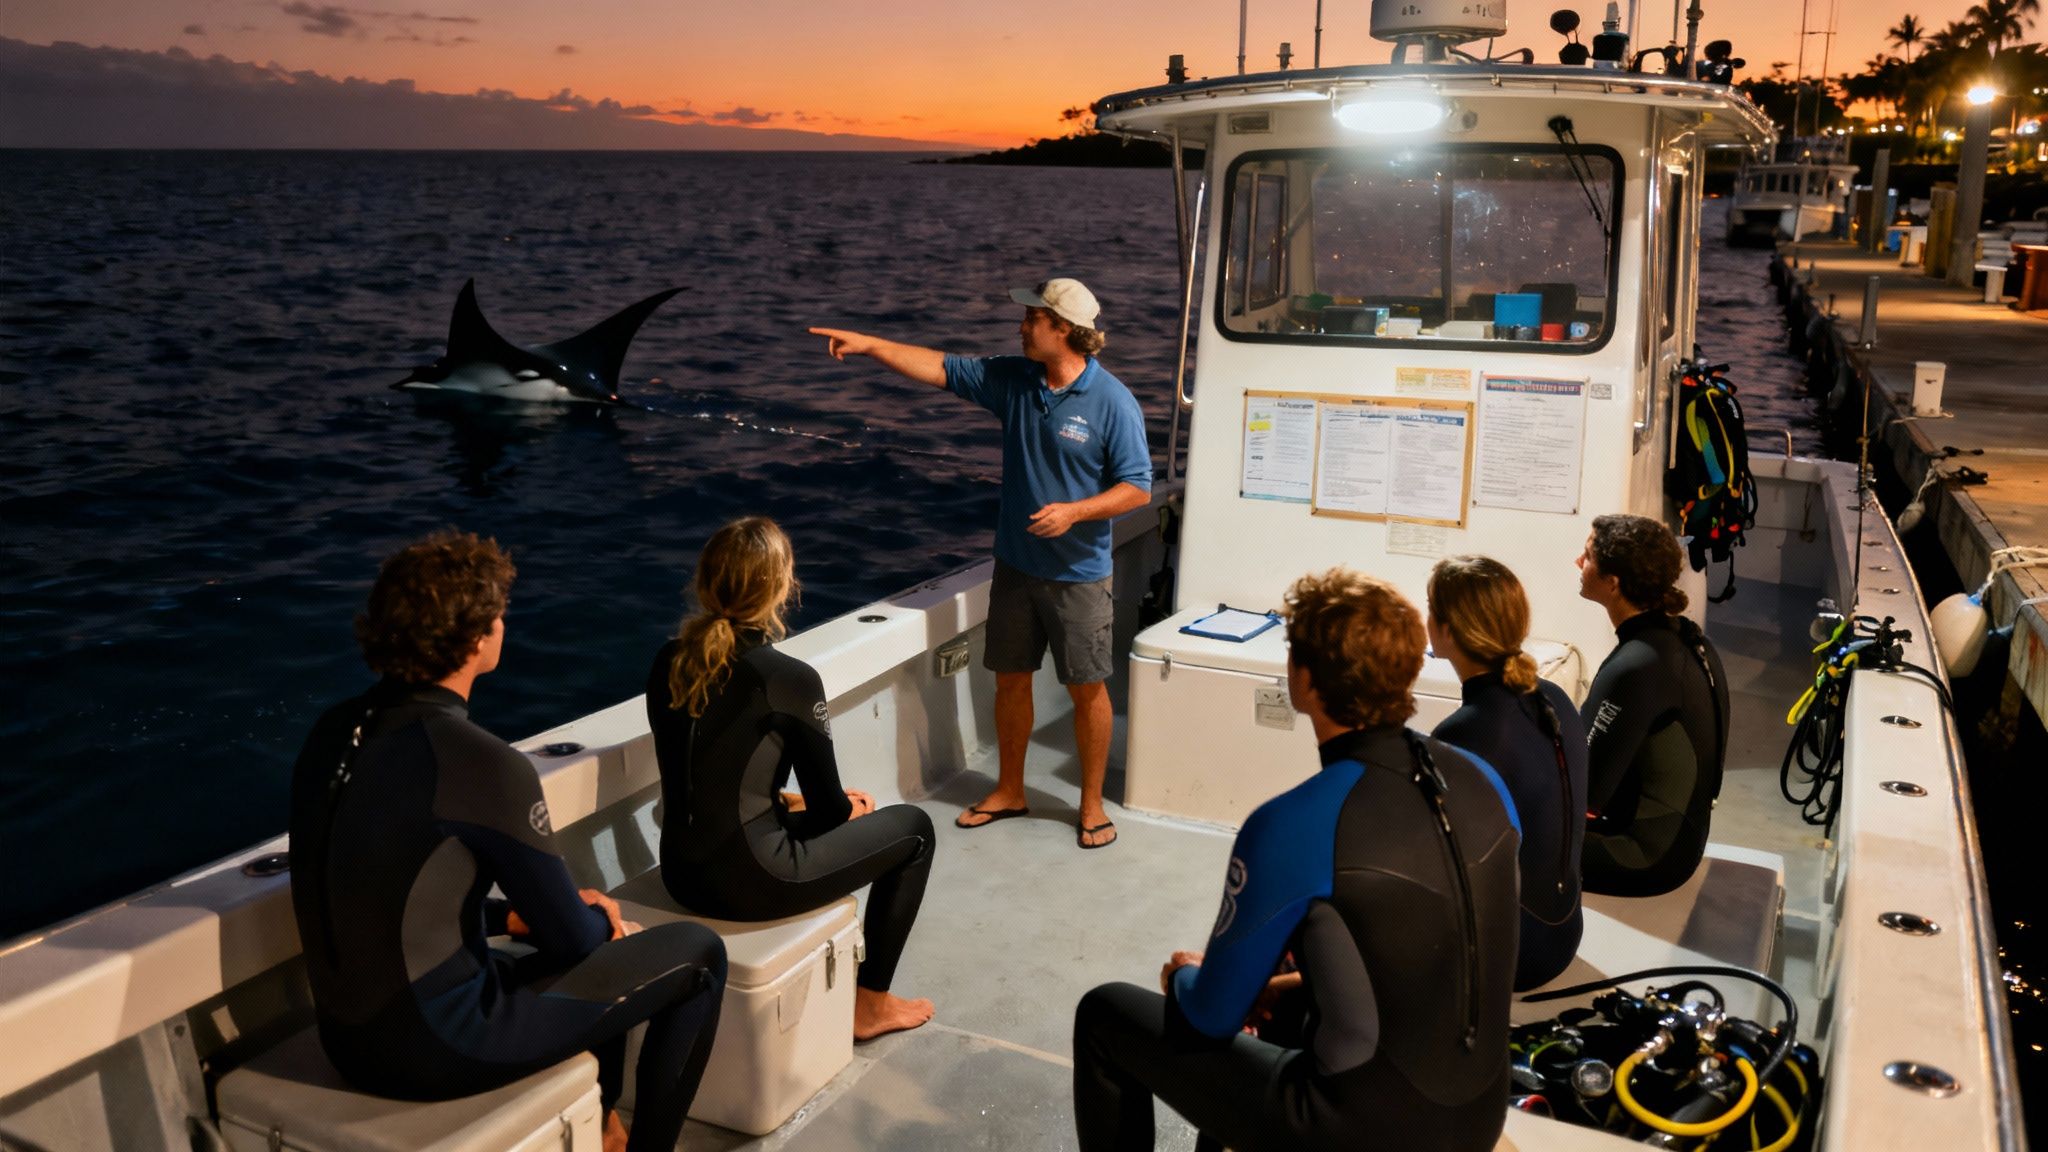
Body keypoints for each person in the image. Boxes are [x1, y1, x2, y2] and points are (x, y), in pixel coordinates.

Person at [289, 531, 725, 1152]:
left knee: (570, 941)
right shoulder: (480, 763)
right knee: (696, 954)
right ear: (476, 638)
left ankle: (603, 1129)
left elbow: (378, 885)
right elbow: (573, 937)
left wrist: (503, 917)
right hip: (434, 1047)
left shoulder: (331, 733)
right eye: (497, 612)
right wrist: (599, 920)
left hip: (349, 1038)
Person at [1071, 569, 1521, 1152]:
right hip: (1480, 1113)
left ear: (1303, 679)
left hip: (1360, 1131)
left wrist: (1183, 976)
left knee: (1104, 1016)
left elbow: (1208, 1017)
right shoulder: (1485, 780)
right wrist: (1291, 982)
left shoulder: (1293, 824)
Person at [810, 277, 1152, 849]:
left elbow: (1137, 487)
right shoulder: (1013, 379)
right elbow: (939, 366)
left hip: (1080, 577)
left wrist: (1075, 512)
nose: (1021, 325)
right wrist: (870, 344)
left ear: (1062, 329)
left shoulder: (1113, 400)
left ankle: (1091, 806)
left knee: (1087, 689)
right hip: (1015, 566)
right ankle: (1011, 789)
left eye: (1032, 318)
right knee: (1010, 682)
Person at [647, 516, 937, 1041]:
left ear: (706, 581)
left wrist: (785, 809)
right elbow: (830, 811)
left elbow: (704, 778)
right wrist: (852, 813)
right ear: (781, 587)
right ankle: (869, 1005)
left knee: (818, 816)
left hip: (681, 872)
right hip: (753, 883)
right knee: (915, 829)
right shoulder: (790, 679)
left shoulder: (669, 660)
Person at [1427, 555, 1588, 991]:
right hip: (1566, 931)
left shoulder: (1468, 733)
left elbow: (1430, 862)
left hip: (1518, 958)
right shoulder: (1554, 696)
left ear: (1448, 630)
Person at [1575, 513, 1731, 897]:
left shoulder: (1635, 666)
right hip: (1681, 841)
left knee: (1491, 839)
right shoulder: (1687, 640)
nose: (1578, 562)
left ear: (1613, 583)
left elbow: (1584, 794)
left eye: (1588, 555)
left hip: (1644, 858)